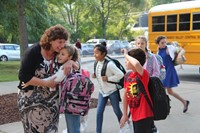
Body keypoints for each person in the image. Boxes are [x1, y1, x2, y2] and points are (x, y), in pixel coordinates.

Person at [17, 24, 78, 133]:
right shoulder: (34, 51)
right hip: (32, 102)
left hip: (52, 103)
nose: (62, 45)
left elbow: (75, 58)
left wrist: (70, 61)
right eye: (60, 42)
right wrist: (47, 84)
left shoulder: (59, 53)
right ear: (50, 40)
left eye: (64, 42)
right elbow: (23, 76)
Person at [120, 48, 154, 133]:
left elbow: (137, 64)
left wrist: (126, 55)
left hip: (145, 114)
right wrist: (125, 114)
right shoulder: (128, 76)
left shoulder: (143, 74)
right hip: (134, 114)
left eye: (127, 60)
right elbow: (125, 96)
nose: (125, 61)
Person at [92, 44, 123, 133]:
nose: (95, 55)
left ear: (103, 54)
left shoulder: (110, 64)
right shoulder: (96, 63)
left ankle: (124, 128)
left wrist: (109, 78)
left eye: (97, 53)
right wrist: (95, 75)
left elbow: (120, 74)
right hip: (102, 92)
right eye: (94, 53)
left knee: (117, 111)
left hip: (112, 91)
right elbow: (99, 74)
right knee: (99, 112)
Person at [155, 35, 190, 113]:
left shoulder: (169, 48)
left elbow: (183, 50)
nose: (164, 44)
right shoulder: (158, 50)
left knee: (163, 90)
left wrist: (180, 55)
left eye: (165, 42)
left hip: (169, 71)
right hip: (162, 71)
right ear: (158, 44)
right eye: (162, 43)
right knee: (169, 91)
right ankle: (184, 102)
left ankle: (165, 108)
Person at [135, 36, 160, 133]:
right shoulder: (134, 57)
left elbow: (156, 72)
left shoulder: (151, 57)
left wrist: (150, 81)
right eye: (138, 43)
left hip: (149, 86)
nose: (140, 45)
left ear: (146, 44)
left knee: (149, 107)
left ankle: (151, 126)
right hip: (137, 86)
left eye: (142, 43)